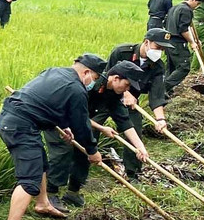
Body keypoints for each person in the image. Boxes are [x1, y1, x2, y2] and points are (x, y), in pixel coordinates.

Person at [0, 53, 106, 220]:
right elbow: (82, 125)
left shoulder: (54, 72)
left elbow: (48, 102)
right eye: (94, 79)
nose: (92, 83)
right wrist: (92, 151)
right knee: (29, 177)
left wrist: (63, 125)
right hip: (20, 126)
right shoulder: (77, 90)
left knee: (41, 162)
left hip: (14, 119)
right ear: (87, 72)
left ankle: (43, 203)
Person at [45, 60, 151, 207]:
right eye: (127, 85)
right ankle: (51, 194)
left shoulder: (113, 94)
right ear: (115, 78)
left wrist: (140, 147)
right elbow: (75, 114)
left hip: (82, 122)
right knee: (62, 152)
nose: (127, 89)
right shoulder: (89, 83)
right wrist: (101, 128)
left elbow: (124, 122)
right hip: (61, 119)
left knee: (86, 152)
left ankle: (73, 193)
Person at [108, 27, 173, 159]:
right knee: (91, 126)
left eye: (162, 49)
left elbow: (156, 94)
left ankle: (132, 174)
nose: (159, 51)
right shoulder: (121, 52)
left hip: (131, 105)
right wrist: (125, 94)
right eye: (157, 47)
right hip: (105, 97)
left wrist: (160, 119)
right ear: (146, 42)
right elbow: (107, 77)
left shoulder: (158, 66)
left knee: (135, 132)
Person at [164, 0, 202, 94]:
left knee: (171, 67)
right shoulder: (186, 10)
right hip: (178, 42)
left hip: (168, 40)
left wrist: (195, 39)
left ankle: (167, 91)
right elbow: (183, 30)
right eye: (198, 3)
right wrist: (192, 42)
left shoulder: (174, 8)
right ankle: (163, 88)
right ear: (193, 0)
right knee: (184, 67)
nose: (197, 6)